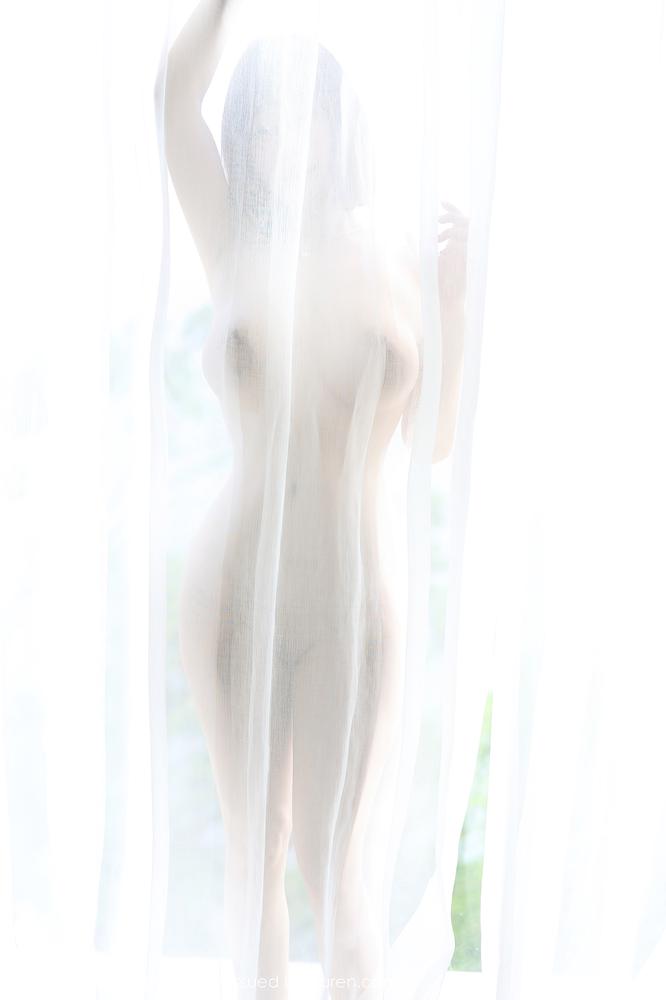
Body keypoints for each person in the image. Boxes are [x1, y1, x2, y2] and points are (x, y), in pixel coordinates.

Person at [165, 2, 468, 997]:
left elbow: (433, 447)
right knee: (255, 855)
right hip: (233, 585)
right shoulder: (232, 242)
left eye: (301, 116)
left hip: (350, 599)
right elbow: (171, 100)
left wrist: (455, 303)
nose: (278, 139)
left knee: (338, 876)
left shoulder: (397, 261)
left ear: (342, 127)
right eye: (258, 123)